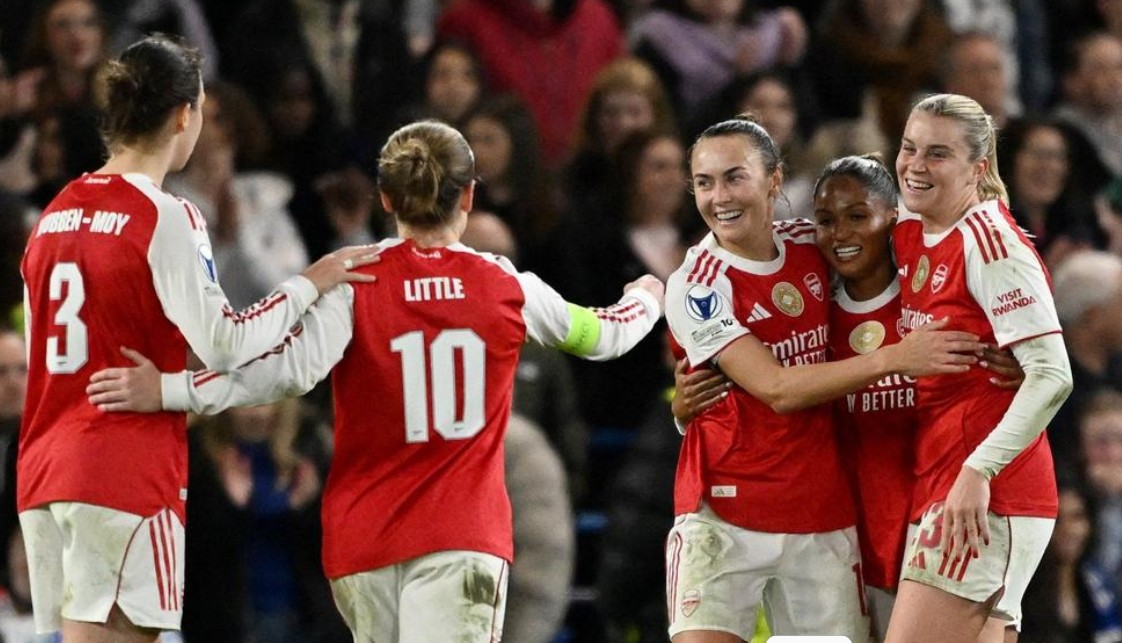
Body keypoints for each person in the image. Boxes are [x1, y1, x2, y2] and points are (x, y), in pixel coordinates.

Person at [85, 119, 665, 642]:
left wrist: (170, 389)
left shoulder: (353, 283)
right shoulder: (505, 286)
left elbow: (280, 374)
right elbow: (604, 336)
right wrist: (646, 297)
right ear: (468, 195)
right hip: (461, 538)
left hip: (364, 542)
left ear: (386, 199)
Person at [17, 35, 376, 643]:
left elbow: (38, 358)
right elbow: (227, 343)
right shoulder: (165, 214)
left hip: (48, 470)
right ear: (185, 115)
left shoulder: (52, 215)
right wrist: (307, 284)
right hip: (124, 471)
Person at [663, 114, 984, 643]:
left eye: (734, 177)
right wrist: (896, 358)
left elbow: (927, 242)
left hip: (821, 515)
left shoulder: (814, 245)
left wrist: (1003, 346)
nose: (719, 197)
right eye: (704, 182)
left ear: (774, 180)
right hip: (725, 513)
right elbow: (776, 388)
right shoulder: (697, 285)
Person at [886, 93, 1073, 643]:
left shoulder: (991, 244)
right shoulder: (914, 227)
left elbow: (1053, 374)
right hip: (951, 481)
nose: (915, 165)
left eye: (938, 154)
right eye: (909, 147)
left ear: (978, 168)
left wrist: (978, 471)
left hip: (987, 493)